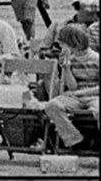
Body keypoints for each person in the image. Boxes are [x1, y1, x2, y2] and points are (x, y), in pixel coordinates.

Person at [41, 21, 98, 151]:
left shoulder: (96, 59)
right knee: (52, 105)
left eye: (63, 43)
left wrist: (81, 93)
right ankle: (74, 139)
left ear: (74, 43)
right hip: (75, 95)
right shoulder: (71, 60)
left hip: (94, 95)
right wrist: (66, 68)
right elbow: (72, 86)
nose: (60, 46)